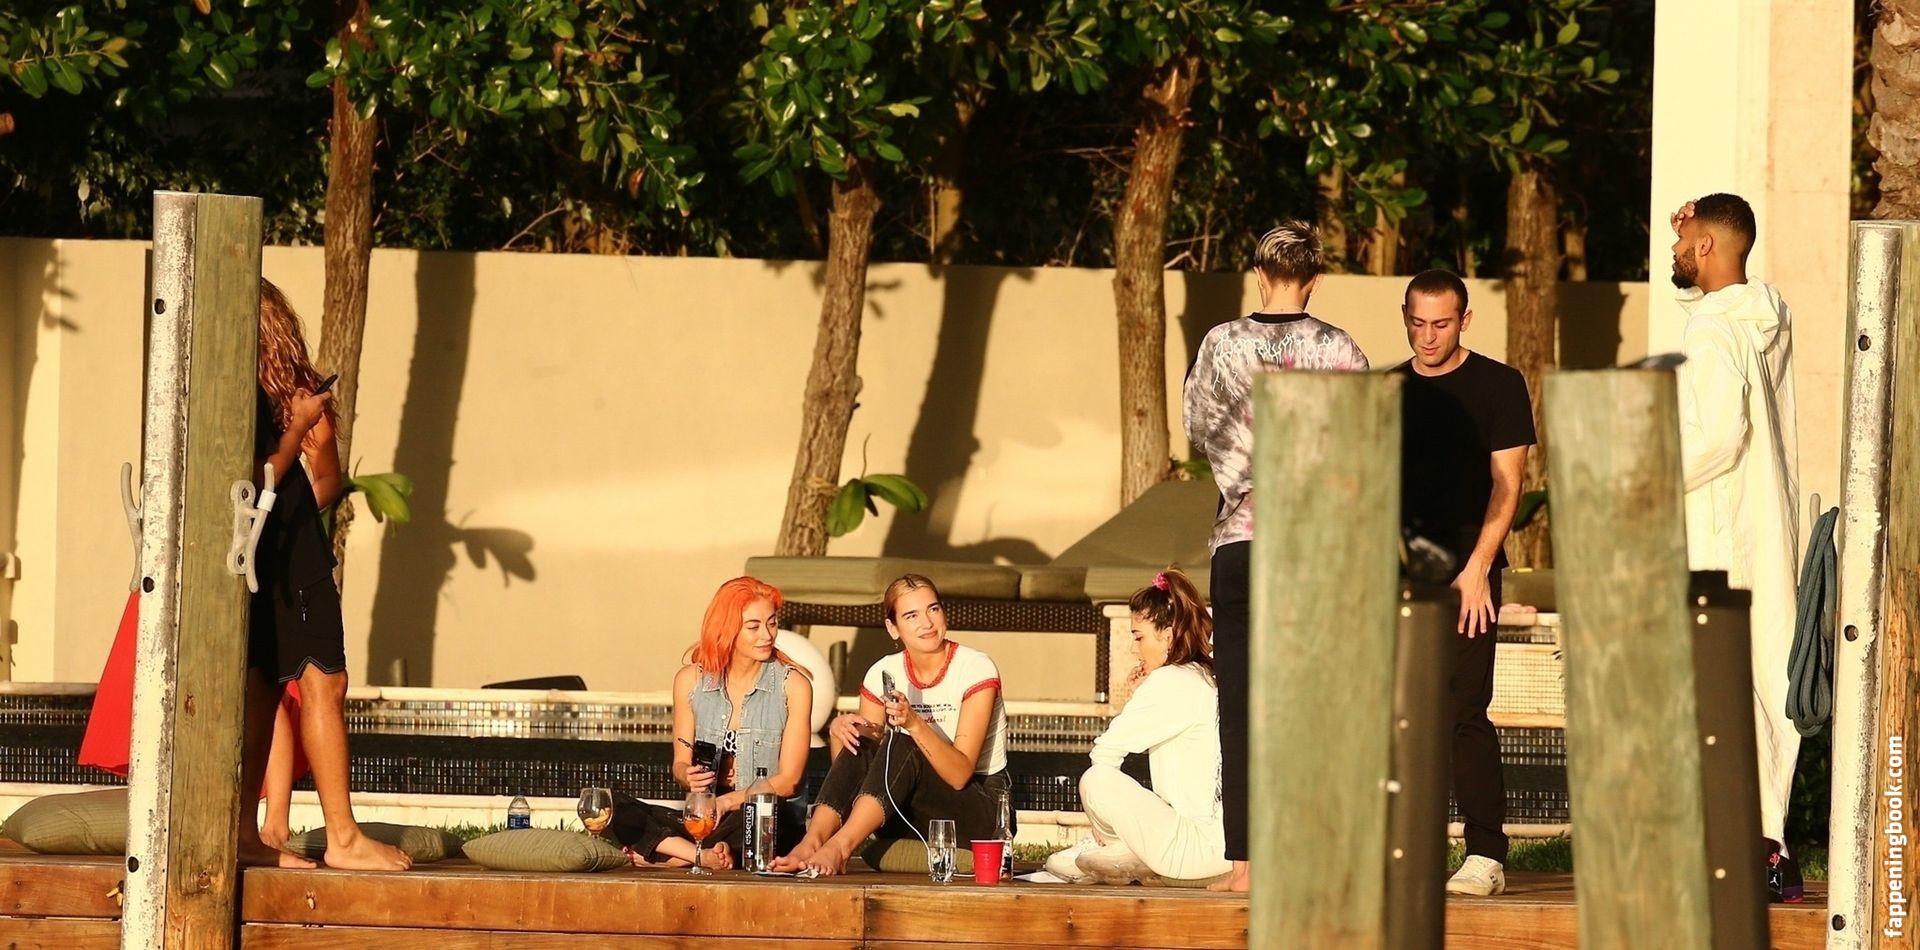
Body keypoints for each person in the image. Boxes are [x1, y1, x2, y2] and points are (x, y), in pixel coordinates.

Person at [1182, 220, 1369, 892]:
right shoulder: (1338, 348)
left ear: (1259, 275)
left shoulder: (1220, 343)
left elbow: (1198, 428)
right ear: (1313, 279)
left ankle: (1246, 866)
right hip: (1310, 545)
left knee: (1240, 706)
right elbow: (1361, 440)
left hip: (1241, 541)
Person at [233, 279, 410, 871]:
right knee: (319, 683)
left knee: (265, 693)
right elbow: (257, 477)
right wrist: (295, 428)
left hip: (278, 548)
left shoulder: (286, 395)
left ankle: (248, 836)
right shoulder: (242, 396)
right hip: (274, 555)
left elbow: (327, 483)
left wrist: (319, 441)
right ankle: (342, 837)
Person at [1669, 194, 1804, 902]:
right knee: (1762, 684)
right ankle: (1769, 845)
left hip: (1720, 529)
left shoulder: (1713, 331)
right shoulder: (1765, 316)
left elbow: (1719, 436)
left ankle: (1750, 850)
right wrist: (1695, 235)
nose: (1674, 249)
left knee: (1723, 686)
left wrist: (1648, 475)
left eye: (1684, 241)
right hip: (1763, 526)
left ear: (1707, 248)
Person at [1391, 269, 1535, 897]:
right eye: (1417, 323)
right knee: (1398, 714)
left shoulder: (1499, 384)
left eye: (1441, 324)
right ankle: (1406, 847)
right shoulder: (1388, 390)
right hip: (1397, 576)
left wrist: (1477, 567)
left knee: (1463, 710)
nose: (1428, 336)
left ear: (1465, 320)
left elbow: (1508, 484)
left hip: (1470, 573)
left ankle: (1485, 853)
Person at [772, 574, 1010, 876]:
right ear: (893, 628)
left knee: (904, 741)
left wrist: (914, 724)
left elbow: (960, 775)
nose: (927, 623)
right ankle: (813, 841)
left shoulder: (975, 668)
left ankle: (841, 848)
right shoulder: (882, 671)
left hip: (981, 810)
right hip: (907, 809)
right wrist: (840, 733)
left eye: (933, 609)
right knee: (864, 737)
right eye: (912, 616)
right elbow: (862, 773)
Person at [605, 576, 813, 869]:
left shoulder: (793, 686)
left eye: (772, 623)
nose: (767, 635)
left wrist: (726, 803)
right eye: (753, 627)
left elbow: (789, 782)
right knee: (608, 805)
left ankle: (674, 855)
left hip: (760, 818)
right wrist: (686, 775)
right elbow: (679, 765)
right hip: (705, 818)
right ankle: (702, 855)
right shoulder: (690, 681)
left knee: (769, 813)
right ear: (727, 629)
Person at [1045, 570, 1228, 885]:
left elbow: (1105, 754)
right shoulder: (1206, 676)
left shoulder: (1171, 680)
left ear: (1168, 636)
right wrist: (1139, 696)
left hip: (1190, 851)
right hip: (1224, 848)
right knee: (1068, 861)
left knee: (1096, 780)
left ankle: (1117, 848)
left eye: (1139, 636)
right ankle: (1125, 852)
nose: (1134, 649)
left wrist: (1101, 829)